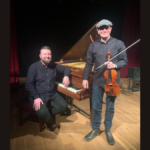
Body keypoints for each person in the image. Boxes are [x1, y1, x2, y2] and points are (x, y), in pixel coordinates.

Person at [82, 19, 128, 145]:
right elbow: (88, 64)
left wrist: (115, 64)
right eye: (101, 28)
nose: (103, 30)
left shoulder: (119, 43)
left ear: (110, 28)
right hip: (97, 81)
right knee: (96, 107)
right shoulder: (93, 45)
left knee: (110, 108)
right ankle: (96, 129)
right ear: (97, 31)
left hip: (113, 83)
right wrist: (85, 78)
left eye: (106, 28)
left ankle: (107, 129)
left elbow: (124, 61)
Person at [25, 46, 70, 134]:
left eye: (49, 54)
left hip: (52, 94)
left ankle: (47, 114)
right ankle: (52, 124)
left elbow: (66, 68)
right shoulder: (33, 67)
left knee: (64, 107)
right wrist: (36, 97)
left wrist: (66, 76)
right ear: (40, 56)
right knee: (42, 113)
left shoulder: (53, 65)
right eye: (45, 54)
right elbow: (28, 85)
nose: (47, 56)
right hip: (38, 95)